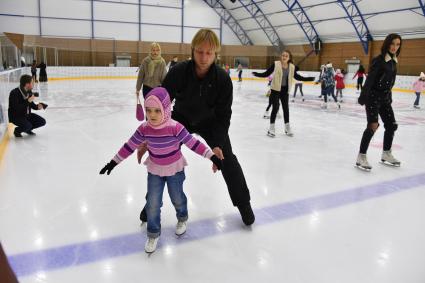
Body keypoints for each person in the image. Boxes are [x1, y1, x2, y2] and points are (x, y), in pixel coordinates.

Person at [138, 28, 255, 226]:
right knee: (163, 153)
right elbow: (162, 103)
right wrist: (152, 136)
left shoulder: (223, 80)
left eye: (209, 53)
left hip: (211, 123)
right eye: (200, 51)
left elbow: (224, 116)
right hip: (181, 118)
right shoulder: (179, 72)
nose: (203, 57)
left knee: (228, 158)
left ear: (215, 53)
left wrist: (217, 143)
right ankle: (150, 204)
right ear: (193, 51)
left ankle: (243, 203)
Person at [100, 87, 222, 253]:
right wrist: (113, 162)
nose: (152, 115)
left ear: (165, 109)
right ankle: (153, 233)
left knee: (177, 198)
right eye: (149, 110)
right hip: (155, 170)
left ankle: (182, 218)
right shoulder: (144, 129)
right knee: (153, 203)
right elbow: (129, 145)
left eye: (157, 110)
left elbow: (193, 143)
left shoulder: (175, 127)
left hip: (175, 170)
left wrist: (211, 156)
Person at [356, 33, 402, 171]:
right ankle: (361, 156)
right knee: (373, 125)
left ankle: (386, 153)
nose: (395, 47)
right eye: (392, 43)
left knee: (391, 125)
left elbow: (390, 82)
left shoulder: (394, 61)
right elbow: (370, 79)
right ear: (387, 44)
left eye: (398, 44)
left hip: (385, 98)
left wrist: (389, 97)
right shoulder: (379, 60)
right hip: (373, 97)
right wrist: (363, 96)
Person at [252, 50, 315, 137]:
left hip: (285, 91)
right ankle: (271, 128)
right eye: (283, 55)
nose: (284, 57)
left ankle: (287, 128)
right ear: (281, 56)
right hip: (275, 90)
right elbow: (267, 73)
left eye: (286, 56)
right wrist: (257, 74)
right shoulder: (276, 64)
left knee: (286, 109)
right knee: (275, 108)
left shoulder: (292, 67)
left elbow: (297, 77)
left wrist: (308, 79)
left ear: (289, 58)